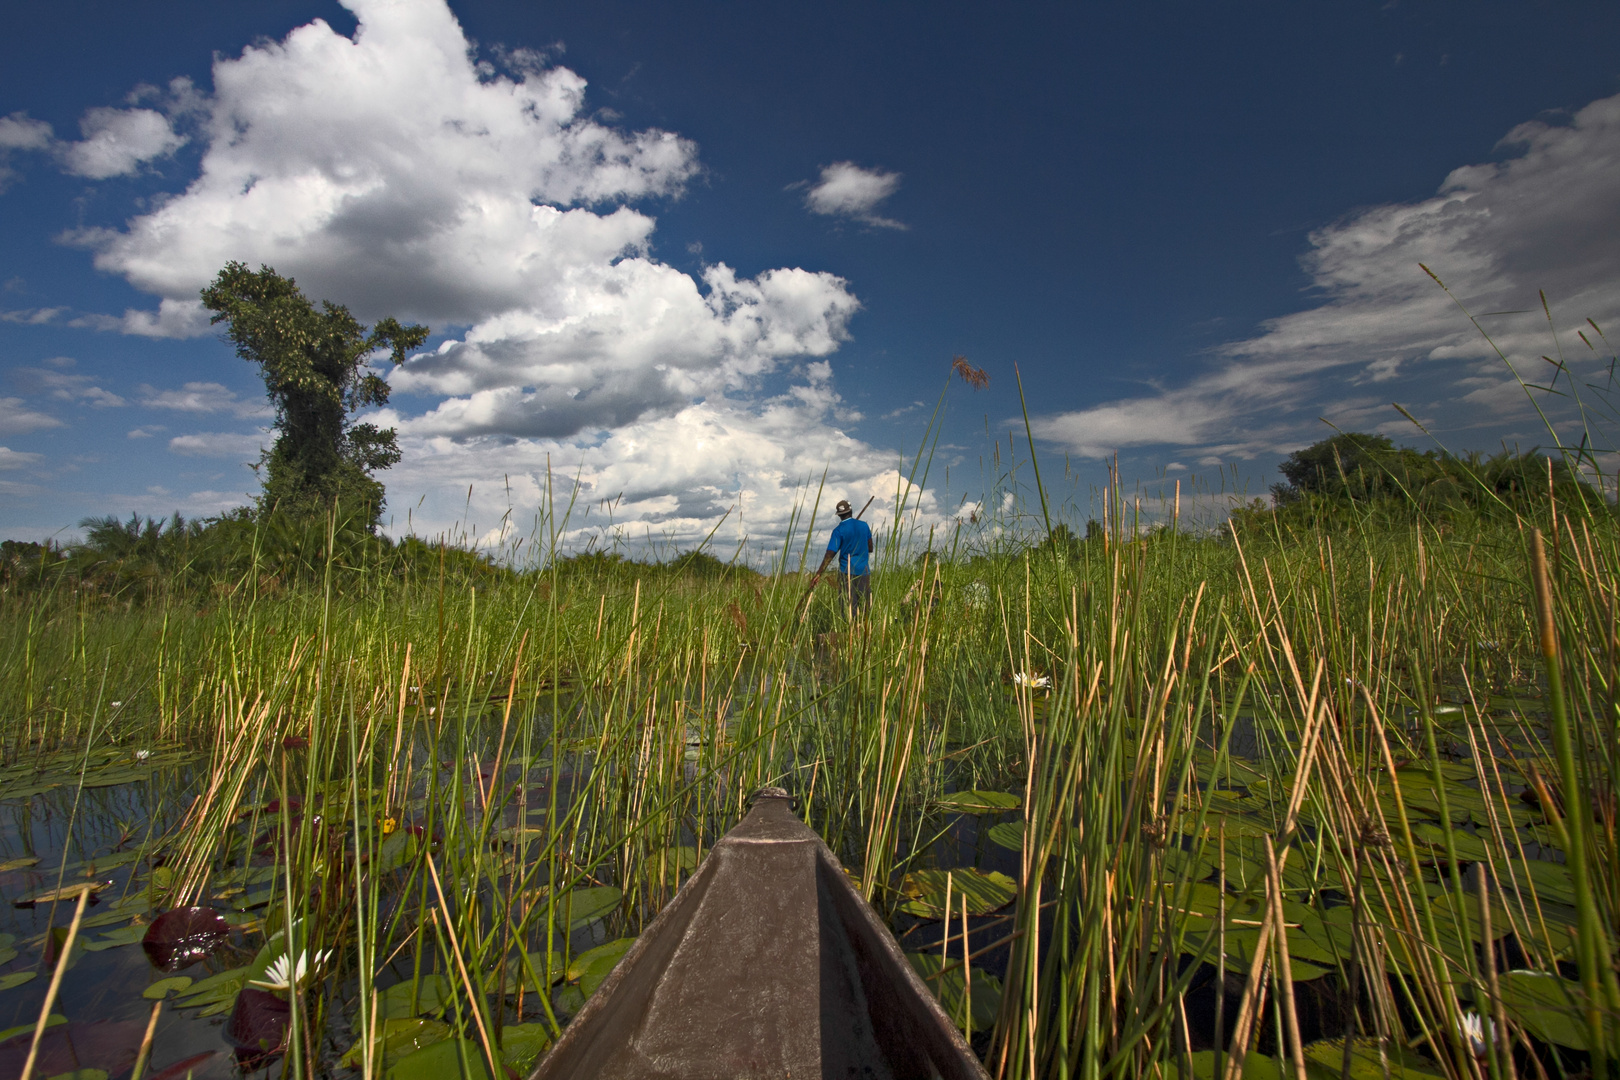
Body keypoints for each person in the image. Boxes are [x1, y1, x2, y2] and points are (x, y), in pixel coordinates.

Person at [810, 499, 874, 615]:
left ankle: (850, 630)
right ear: (851, 511)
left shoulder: (838, 531)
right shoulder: (864, 526)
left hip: (846, 572)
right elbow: (870, 548)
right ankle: (865, 630)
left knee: (848, 606)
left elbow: (830, 553)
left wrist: (819, 573)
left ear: (839, 516)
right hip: (864, 571)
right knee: (865, 605)